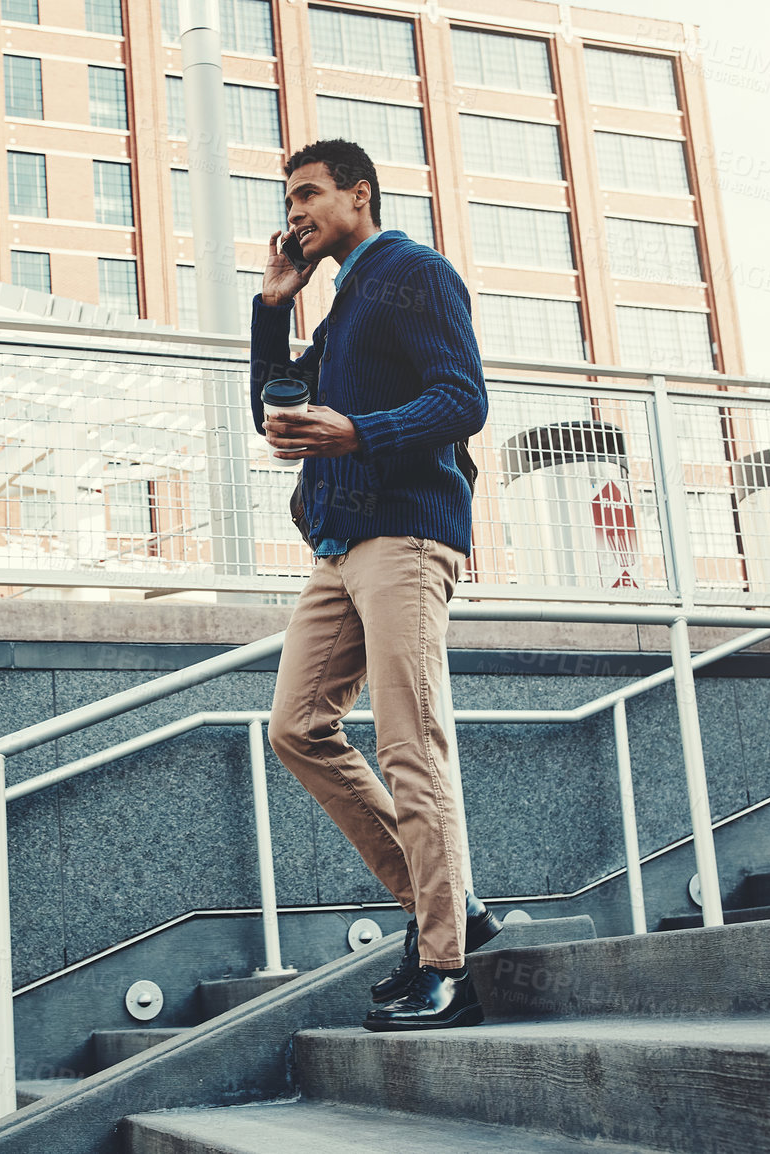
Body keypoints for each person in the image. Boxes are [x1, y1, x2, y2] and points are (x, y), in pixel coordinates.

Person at [251, 139, 496, 1031]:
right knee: (297, 728)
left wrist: (360, 432)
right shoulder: (340, 302)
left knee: (410, 746)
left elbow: (461, 397)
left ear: (360, 195)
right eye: (289, 198)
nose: (296, 211)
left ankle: (447, 965)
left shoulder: (411, 272)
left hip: (403, 534)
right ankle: (451, 908)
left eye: (309, 193)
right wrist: (273, 308)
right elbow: (269, 411)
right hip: (337, 543)